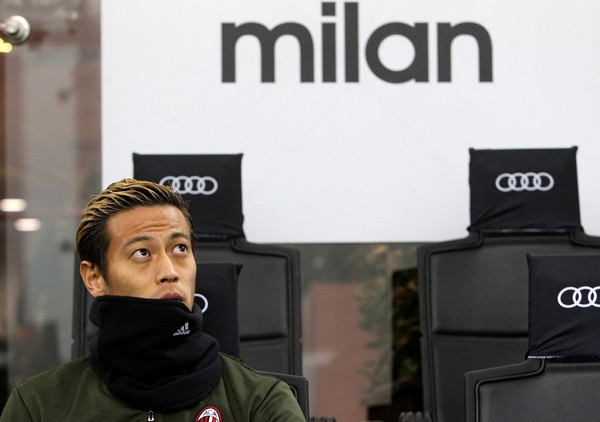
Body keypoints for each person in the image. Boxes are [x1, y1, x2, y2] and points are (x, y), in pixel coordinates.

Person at [0, 178, 306, 421]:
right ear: (94, 278)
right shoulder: (39, 406)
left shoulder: (260, 403)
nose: (170, 271)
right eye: (142, 253)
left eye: (180, 248)